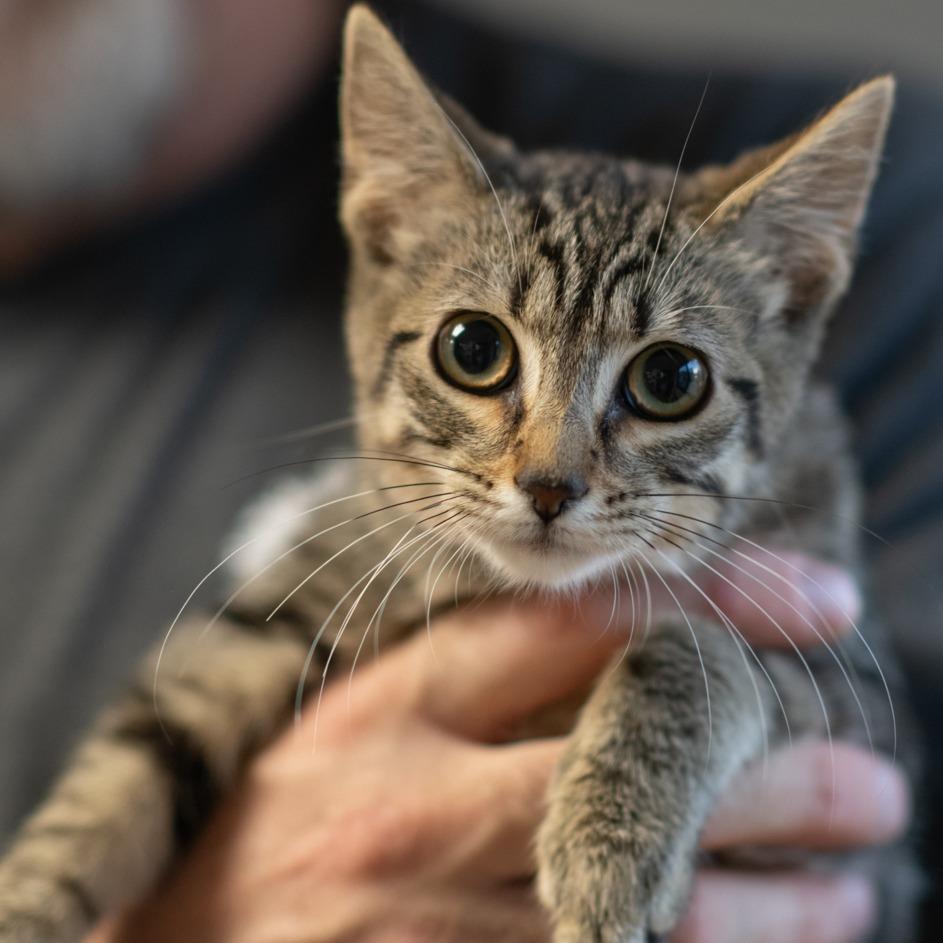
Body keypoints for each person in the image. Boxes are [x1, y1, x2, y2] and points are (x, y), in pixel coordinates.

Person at [1, 0, 939, 939]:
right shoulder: (375, 525)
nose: (549, 471)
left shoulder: (842, 412)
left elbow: (862, 772)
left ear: (794, 295)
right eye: (475, 353)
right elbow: (189, 707)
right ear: (385, 232)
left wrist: (687, 697)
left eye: (665, 380)